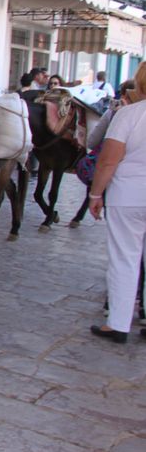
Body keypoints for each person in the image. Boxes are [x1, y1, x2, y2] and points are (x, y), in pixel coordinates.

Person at [88, 62, 146, 343]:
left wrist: (96, 194)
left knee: (125, 259)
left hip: (129, 195)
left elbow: (108, 159)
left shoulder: (129, 115)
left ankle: (119, 323)